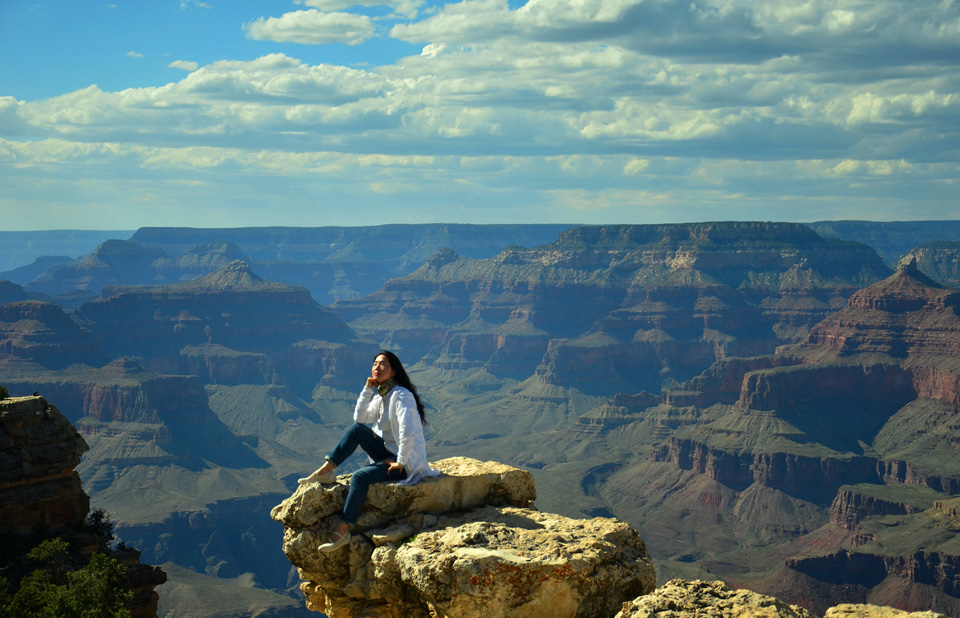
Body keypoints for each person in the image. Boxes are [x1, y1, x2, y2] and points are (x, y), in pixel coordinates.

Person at [299, 350, 439, 551]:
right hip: (387, 453)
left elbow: (408, 431)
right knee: (356, 430)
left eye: (383, 364)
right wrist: (367, 390)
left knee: (359, 477)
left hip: (405, 462)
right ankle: (328, 470)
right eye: (374, 363)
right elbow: (360, 419)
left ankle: (343, 530)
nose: (376, 367)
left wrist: (399, 461)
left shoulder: (401, 396)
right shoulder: (382, 394)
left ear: (394, 372)